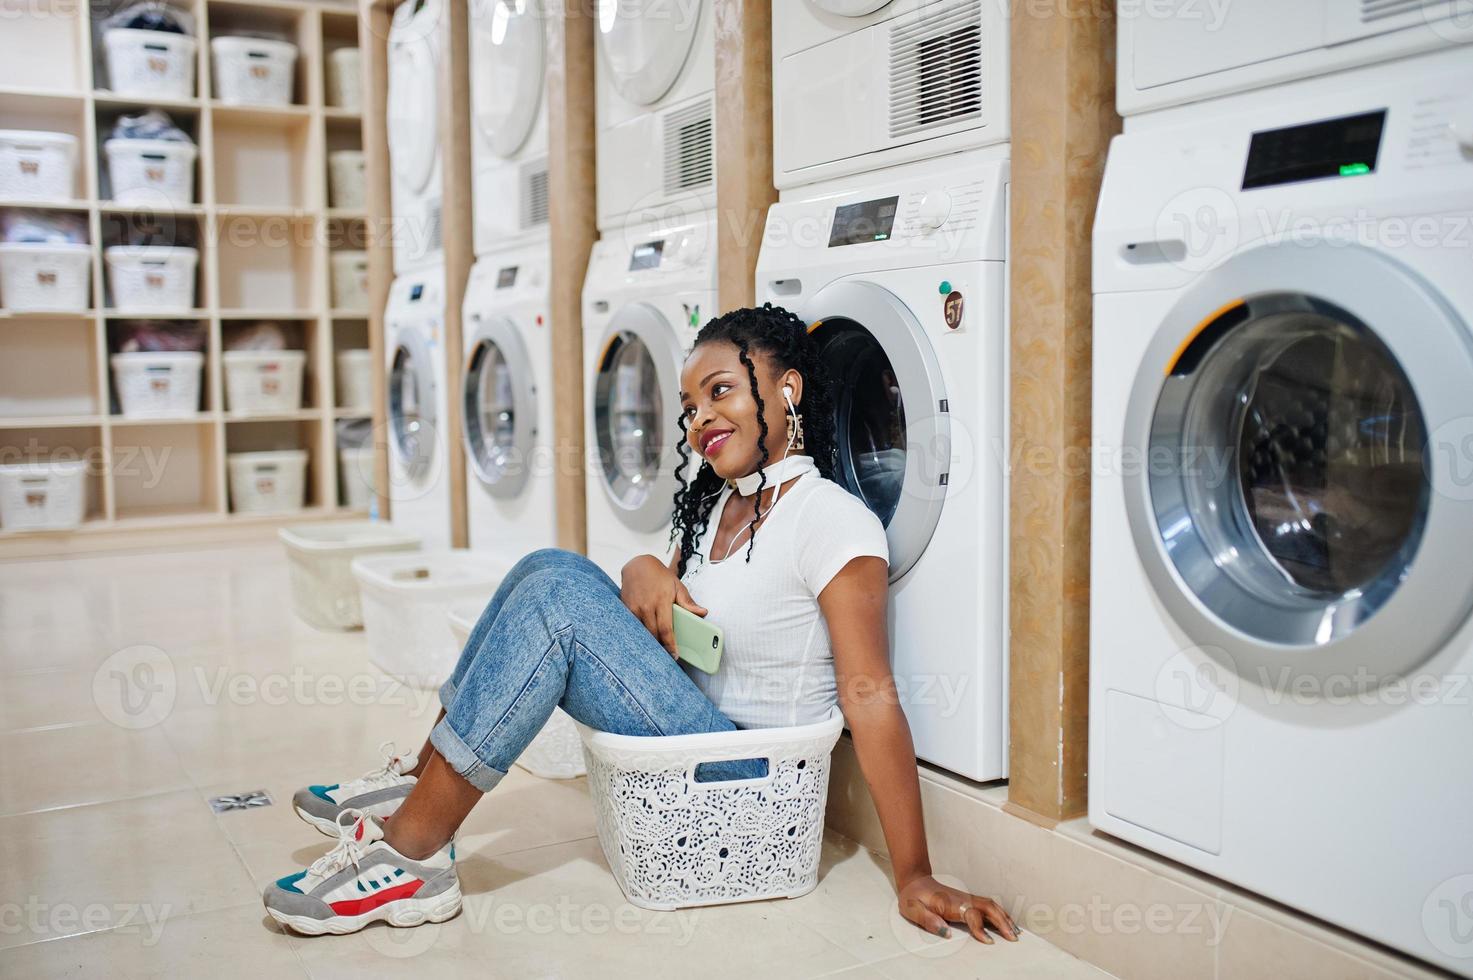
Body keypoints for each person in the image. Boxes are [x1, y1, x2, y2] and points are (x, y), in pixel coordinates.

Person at [262, 304, 1019, 946]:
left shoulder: (834, 523)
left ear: (786, 389)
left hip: (743, 781)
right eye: (691, 406)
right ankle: (416, 781)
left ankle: (412, 856)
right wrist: (642, 571)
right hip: (688, 734)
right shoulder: (720, 507)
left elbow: (870, 695)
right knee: (546, 569)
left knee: (557, 599)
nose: (700, 421)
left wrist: (914, 872)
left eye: (720, 391)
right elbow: (656, 635)